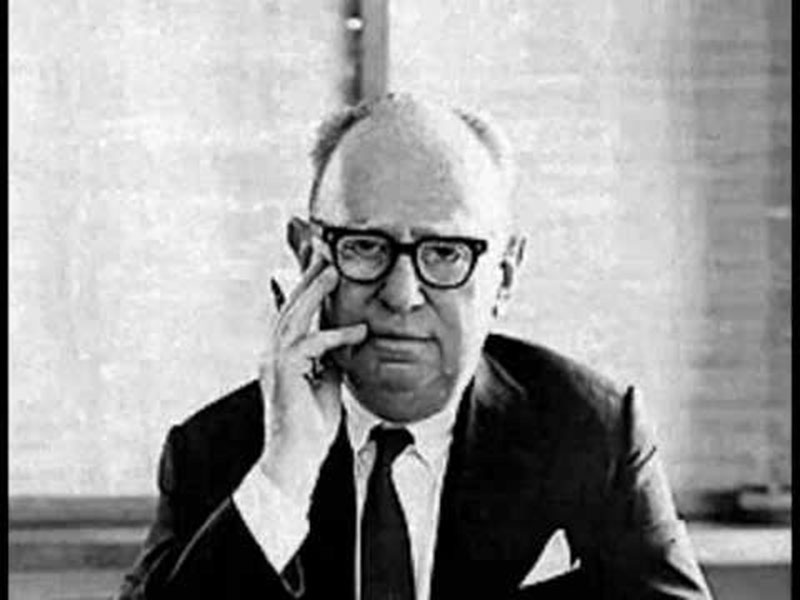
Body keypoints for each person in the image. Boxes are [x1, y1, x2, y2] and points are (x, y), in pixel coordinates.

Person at [117, 93, 712, 599]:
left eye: (446, 253)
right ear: (305, 255)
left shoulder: (592, 433)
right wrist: (285, 472)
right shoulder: (216, 453)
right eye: (364, 246)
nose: (401, 295)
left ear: (504, 277)